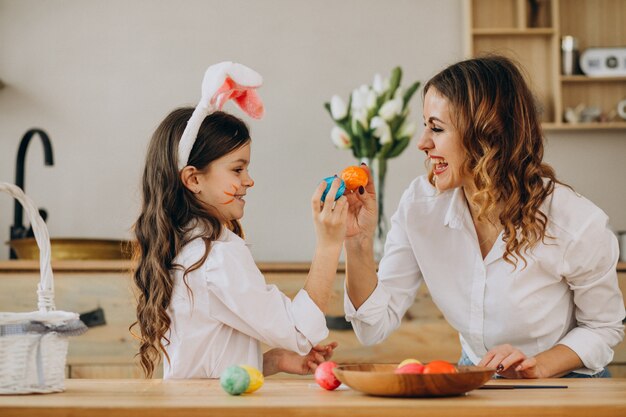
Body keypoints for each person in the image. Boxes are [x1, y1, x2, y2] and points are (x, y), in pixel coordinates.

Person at [342, 55, 625, 378]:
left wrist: (537, 365)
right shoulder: (420, 207)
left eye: (436, 128)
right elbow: (372, 327)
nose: (422, 143)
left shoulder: (575, 222)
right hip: (478, 375)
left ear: (488, 134)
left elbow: (603, 328)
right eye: (425, 126)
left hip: (564, 382)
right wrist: (357, 242)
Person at [131, 62, 347, 379]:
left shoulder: (185, 248)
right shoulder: (217, 258)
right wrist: (329, 245)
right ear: (193, 179)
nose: (249, 181)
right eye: (237, 169)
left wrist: (272, 361)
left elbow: (206, 361)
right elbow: (301, 332)